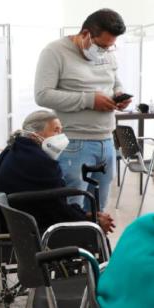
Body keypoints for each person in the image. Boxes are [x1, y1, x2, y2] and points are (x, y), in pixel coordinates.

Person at [35, 9, 131, 212]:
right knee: (72, 210)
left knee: (98, 210)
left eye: (110, 47)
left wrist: (119, 94)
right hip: (74, 143)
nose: (105, 51)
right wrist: (89, 100)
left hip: (107, 141)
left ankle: (92, 245)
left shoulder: (107, 53)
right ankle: (70, 244)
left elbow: (114, 81)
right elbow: (42, 95)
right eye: (101, 45)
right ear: (85, 33)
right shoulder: (54, 52)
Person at [0, 110, 115, 234]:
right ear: (35, 134)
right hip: (35, 231)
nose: (61, 136)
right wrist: (91, 219)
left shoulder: (12, 150)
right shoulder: (41, 162)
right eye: (55, 130)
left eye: (61, 131)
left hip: (11, 224)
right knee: (97, 228)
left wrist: (86, 215)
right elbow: (59, 210)